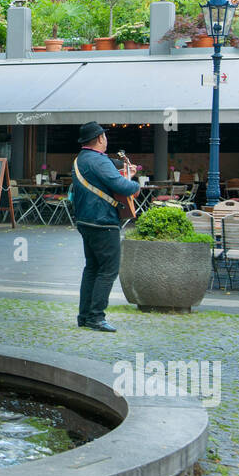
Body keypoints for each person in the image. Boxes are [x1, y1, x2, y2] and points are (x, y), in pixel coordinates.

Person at [69, 121, 139, 333]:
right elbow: (122, 187)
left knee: (92, 269)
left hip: (85, 220)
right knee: (108, 270)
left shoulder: (81, 159)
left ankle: (84, 316)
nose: (106, 139)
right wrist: (135, 183)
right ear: (100, 138)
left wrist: (124, 173)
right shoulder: (99, 160)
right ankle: (96, 317)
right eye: (105, 136)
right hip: (103, 222)